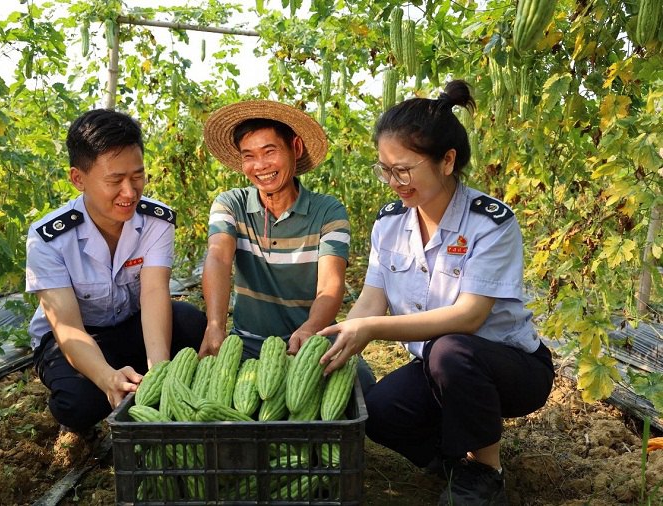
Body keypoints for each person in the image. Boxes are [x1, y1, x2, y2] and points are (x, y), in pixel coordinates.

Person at [317, 81, 555, 505]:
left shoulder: (491, 224)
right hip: (438, 366)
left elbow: (469, 317)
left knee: (450, 350)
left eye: (403, 170)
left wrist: (371, 329)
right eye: (385, 169)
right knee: (382, 413)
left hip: (509, 368)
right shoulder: (390, 222)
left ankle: (485, 472)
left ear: (447, 161)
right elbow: (373, 298)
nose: (393, 182)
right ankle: (452, 461)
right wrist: (335, 335)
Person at [26, 109, 206, 435]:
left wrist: (159, 369)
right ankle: (92, 407)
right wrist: (107, 378)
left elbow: (153, 293)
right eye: (114, 180)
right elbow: (68, 328)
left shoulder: (156, 221)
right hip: (76, 337)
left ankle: (141, 379)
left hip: (129, 325)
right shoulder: (48, 238)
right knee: (80, 402)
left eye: (137, 176)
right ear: (78, 179)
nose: (130, 192)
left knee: (192, 324)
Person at [200, 100, 375, 391]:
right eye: (249, 156)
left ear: (295, 148)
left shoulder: (327, 211)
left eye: (270, 151)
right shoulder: (231, 204)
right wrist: (215, 325)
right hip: (248, 346)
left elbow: (330, 286)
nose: (260, 166)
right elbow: (218, 257)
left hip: (311, 341)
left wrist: (310, 329)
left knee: (364, 388)